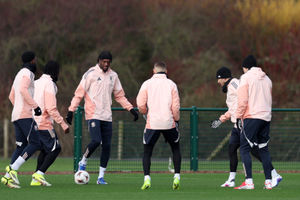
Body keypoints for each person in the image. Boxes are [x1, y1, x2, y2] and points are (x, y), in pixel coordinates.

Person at [66, 51, 139, 184]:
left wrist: (131, 109)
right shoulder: (90, 74)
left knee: (107, 146)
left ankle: (100, 177)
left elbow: (119, 96)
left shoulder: (114, 75)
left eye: (108, 62)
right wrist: (71, 110)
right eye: (103, 61)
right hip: (93, 114)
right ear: (99, 60)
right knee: (95, 140)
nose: (106, 64)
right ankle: (83, 161)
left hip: (107, 116)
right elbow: (79, 94)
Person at [211, 66, 281, 188]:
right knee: (233, 149)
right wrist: (223, 118)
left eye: (219, 78)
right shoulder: (230, 86)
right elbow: (234, 107)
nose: (218, 82)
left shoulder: (234, 84)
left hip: (243, 122)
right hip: (237, 123)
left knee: (250, 150)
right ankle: (232, 179)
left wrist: (236, 118)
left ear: (224, 78)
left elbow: (243, 101)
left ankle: (256, 179)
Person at [234, 55, 282, 190]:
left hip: (251, 116)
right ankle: (268, 182)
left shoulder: (246, 77)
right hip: (266, 117)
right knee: (263, 149)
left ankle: (249, 182)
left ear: (245, 67)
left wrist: (238, 117)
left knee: (244, 148)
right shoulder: (268, 79)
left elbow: (243, 101)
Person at [136, 61, 181, 190]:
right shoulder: (172, 84)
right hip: (169, 122)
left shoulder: (147, 84)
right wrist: (176, 120)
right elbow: (176, 107)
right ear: (166, 71)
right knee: (175, 148)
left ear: (153, 71)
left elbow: (140, 103)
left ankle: (147, 179)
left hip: (153, 123)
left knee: (147, 151)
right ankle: (177, 177)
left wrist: (145, 113)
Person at [1, 51, 42, 188]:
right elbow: (24, 90)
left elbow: (11, 96)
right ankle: (13, 170)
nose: (35, 62)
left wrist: (18, 107)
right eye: (35, 60)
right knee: (35, 143)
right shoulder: (28, 73)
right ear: (32, 61)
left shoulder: (19, 74)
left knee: (21, 146)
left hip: (16, 115)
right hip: (24, 115)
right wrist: (34, 107)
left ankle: (8, 177)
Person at [31, 61, 70, 186]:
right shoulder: (50, 84)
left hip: (32, 122)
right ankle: (39, 174)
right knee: (56, 149)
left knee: (44, 150)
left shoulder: (35, 82)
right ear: (55, 72)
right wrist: (63, 124)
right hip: (43, 123)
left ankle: (35, 180)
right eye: (58, 71)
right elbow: (51, 108)